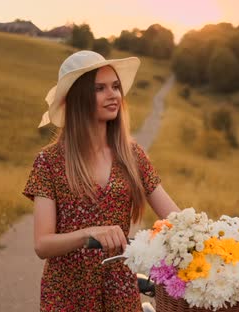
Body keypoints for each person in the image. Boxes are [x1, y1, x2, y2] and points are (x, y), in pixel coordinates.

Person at [22, 50, 180, 311]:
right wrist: (88, 234)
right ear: (77, 98)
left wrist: (238, 237)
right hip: (66, 292)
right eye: (100, 88)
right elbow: (42, 244)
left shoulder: (132, 155)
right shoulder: (49, 161)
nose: (113, 95)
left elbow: (178, 220)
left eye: (116, 87)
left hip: (120, 288)